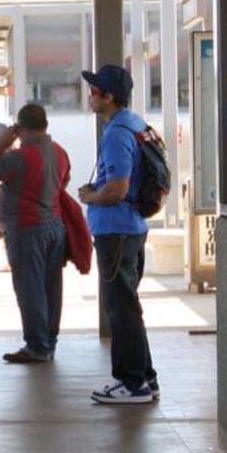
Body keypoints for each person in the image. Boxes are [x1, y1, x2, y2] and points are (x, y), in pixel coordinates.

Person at [78, 64, 158, 404]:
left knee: (120, 309)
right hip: (133, 229)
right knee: (129, 305)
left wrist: (90, 196)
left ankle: (132, 383)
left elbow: (118, 189)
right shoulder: (136, 124)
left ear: (109, 97)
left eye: (95, 91)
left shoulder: (116, 133)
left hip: (117, 232)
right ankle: (146, 378)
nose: (90, 96)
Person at [0, 104, 70, 364]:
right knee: (51, 287)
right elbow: (63, 182)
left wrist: (1, 144)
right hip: (54, 227)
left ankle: (37, 346)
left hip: (26, 229)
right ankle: (48, 342)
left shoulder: (20, 156)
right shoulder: (60, 153)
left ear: (19, 128)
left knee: (29, 288)